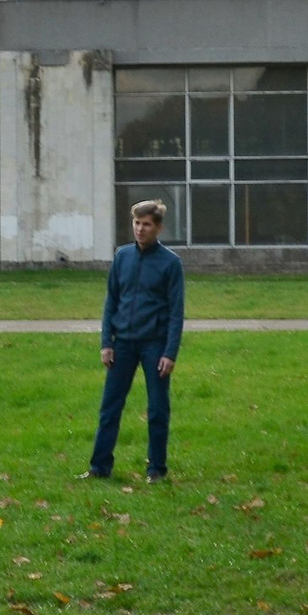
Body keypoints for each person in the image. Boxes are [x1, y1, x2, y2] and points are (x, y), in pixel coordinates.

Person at [87, 199, 186, 482]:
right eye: (136, 223)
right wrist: (107, 342)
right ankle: (99, 467)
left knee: (157, 409)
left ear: (158, 228)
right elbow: (111, 302)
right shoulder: (122, 257)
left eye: (146, 224)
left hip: (155, 345)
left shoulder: (170, 263)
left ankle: (156, 469)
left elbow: (176, 312)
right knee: (110, 407)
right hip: (123, 345)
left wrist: (170, 352)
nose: (140, 230)